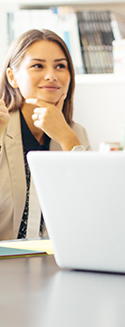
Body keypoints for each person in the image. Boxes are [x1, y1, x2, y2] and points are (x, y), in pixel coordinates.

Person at [0, 29, 91, 241]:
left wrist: (68, 140)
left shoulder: (77, 135)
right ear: (12, 77)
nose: (51, 75)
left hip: (56, 263)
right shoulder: (2, 127)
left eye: (60, 66)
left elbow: (93, 207)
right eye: (37, 66)